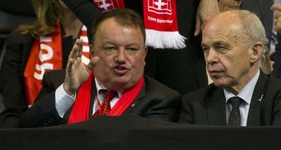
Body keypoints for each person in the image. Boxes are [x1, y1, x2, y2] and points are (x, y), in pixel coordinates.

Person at [51, 0, 220, 94]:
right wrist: (97, 19)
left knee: (185, 110)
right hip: (110, 20)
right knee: (120, 117)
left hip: (174, 22)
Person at [18, 8, 181, 128]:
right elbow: (25, 132)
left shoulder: (161, 99)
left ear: (144, 53)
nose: (121, 58)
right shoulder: (59, 83)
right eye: (110, 48)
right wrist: (68, 91)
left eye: (131, 49)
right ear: (93, 51)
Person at [0, 0, 91, 128]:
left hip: (92, 138)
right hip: (36, 139)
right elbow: (13, 112)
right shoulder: (22, 40)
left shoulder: (108, 41)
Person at [178, 10, 281, 126]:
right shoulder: (194, 104)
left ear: (254, 52)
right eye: (206, 49)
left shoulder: (277, 96)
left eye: (221, 47)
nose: (210, 58)